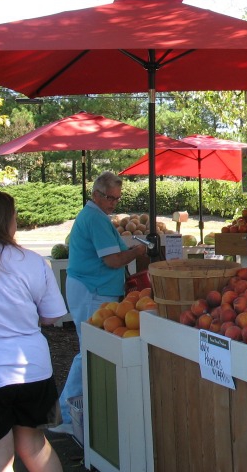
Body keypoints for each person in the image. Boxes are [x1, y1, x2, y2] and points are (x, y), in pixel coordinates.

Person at [51, 172, 147, 435]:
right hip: (92, 290)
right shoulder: (94, 218)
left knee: (90, 349)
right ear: (96, 194)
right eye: (109, 198)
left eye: (117, 199)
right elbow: (112, 261)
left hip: (92, 288)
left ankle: (73, 411)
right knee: (89, 350)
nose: (113, 203)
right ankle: (68, 415)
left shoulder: (96, 216)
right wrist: (136, 252)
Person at [0, 190, 67, 471]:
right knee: (34, 447)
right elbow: (52, 316)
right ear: (7, 220)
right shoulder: (33, 261)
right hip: (32, 368)